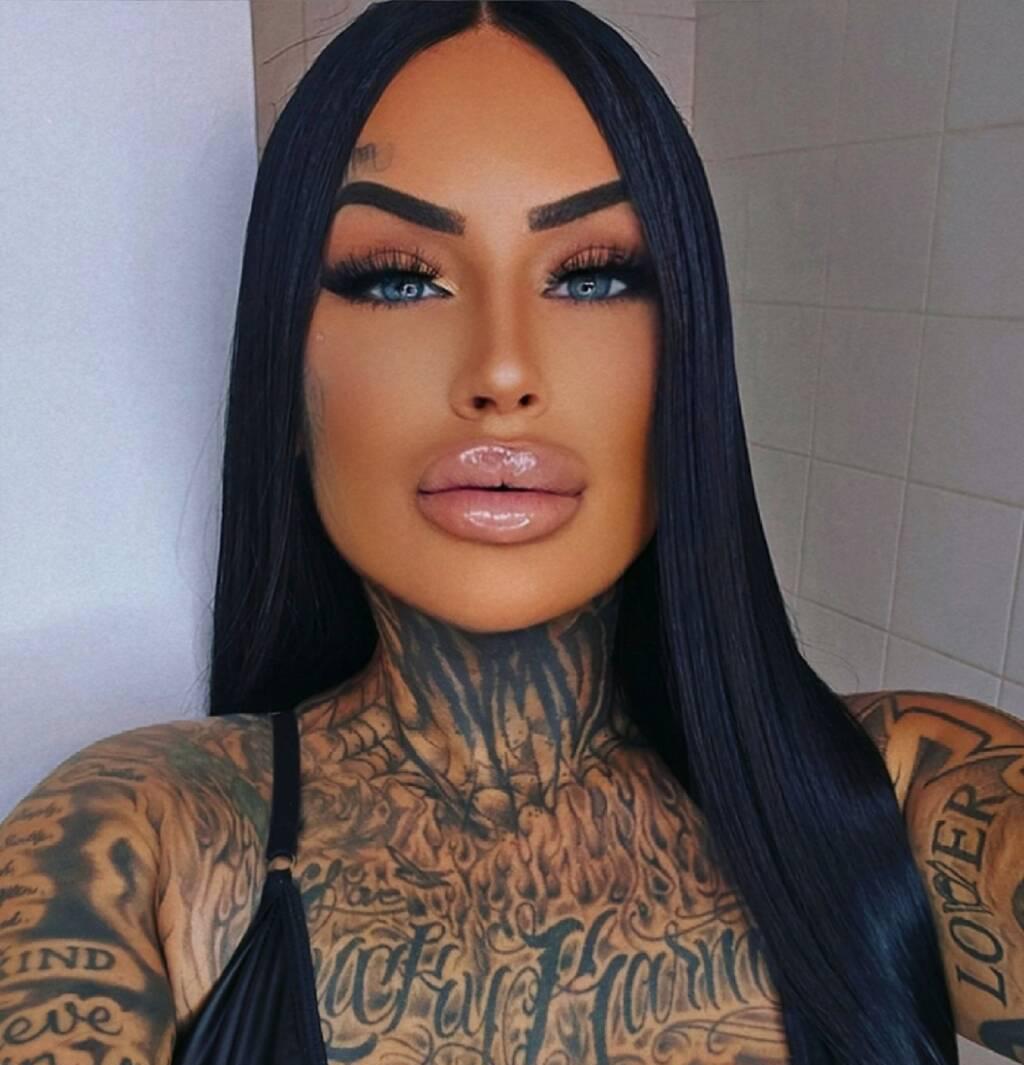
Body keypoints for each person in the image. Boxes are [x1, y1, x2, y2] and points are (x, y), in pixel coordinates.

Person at [2, 2, 1022, 1063]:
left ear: (690, 354)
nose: (500, 370)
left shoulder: (911, 797)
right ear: (286, 375)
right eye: (397, 278)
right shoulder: (142, 842)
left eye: (594, 276)